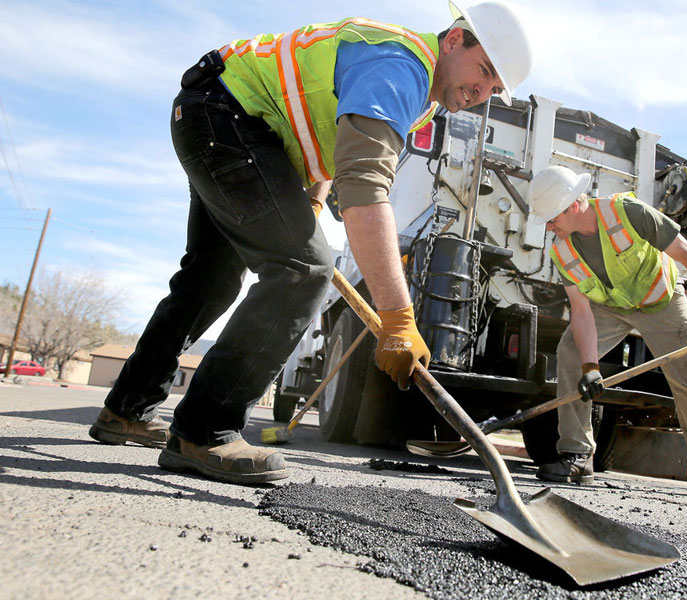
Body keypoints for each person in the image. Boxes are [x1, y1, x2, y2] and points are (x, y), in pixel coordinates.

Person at [88, 1, 533, 485]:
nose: (481, 92)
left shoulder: (416, 83)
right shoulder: (401, 67)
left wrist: (314, 201)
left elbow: (323, 143)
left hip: (219, 113)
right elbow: (365, 190)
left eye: (493, 89)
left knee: (209, 280)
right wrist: (399, 318)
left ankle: (126, 408)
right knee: (303, 269)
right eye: (483, 71)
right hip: (227, 118)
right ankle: (204, 430)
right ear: (454, 40)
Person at [526, 165, 687, 503]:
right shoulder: (561, 250)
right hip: (611, 307)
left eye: (551, 217)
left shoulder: (628, 213)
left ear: (572, 205)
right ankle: (577, 457)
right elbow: (581, 313)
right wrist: (590, 368)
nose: (548, 226)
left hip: (660, 299)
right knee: (570, 351)